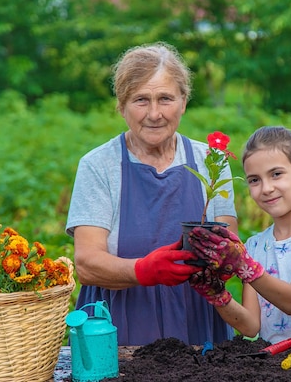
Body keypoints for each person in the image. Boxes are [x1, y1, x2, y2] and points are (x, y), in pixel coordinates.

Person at [65, 42, 238, 346]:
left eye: (166, 99)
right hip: (118, 324)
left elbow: (228, 254)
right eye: (141, 100)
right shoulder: (99, 166)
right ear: (121, 105)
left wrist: (224, 256)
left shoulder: (211, 162)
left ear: (183, 102)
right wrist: (144, 270)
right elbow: (87, 264)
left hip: (196, 319)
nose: (155, 113)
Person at [188, 126, 291, 347]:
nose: (266, 188)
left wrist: (244, 265)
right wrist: (217, 294)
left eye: (276, 174)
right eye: (254, 180)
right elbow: (250, 326)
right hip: (277, 365)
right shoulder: (255, 246)